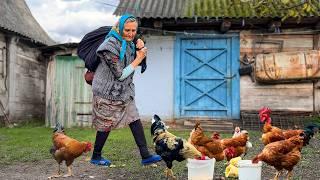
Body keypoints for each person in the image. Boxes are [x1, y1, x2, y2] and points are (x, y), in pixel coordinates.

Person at [89, 14, 161, 166]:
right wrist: (139, 57)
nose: (130, 33)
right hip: (106, 92)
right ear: (120, 28)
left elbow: (136, 64)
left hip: (124, 91)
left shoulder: (128, 43)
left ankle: (145, 155)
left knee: (134, 118)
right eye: (127, 30)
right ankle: (96, 156)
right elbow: (120, 74)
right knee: (105, 124)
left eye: (134, 30)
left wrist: (140, 47)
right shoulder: (109, 46)